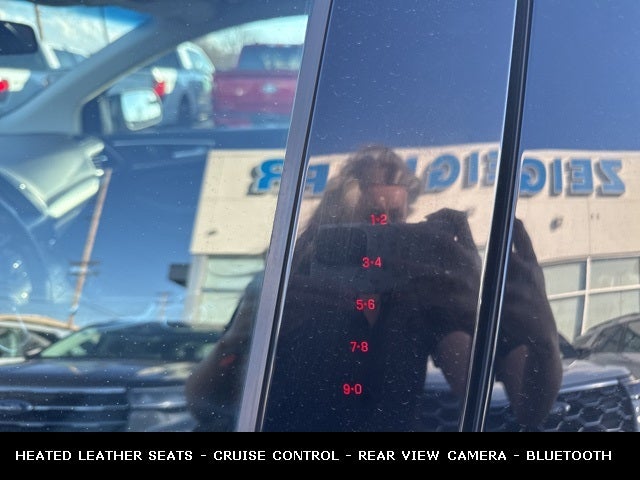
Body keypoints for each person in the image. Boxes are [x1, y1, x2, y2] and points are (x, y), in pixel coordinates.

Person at [186, 144, 563, 432]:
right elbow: (202, 402)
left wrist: (535, 331)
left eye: (394, 219)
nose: (382, 230)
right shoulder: (285, 284)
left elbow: (523, 406)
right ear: (335, 220)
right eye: (370, 219)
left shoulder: (420, 293)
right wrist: (242, 336)